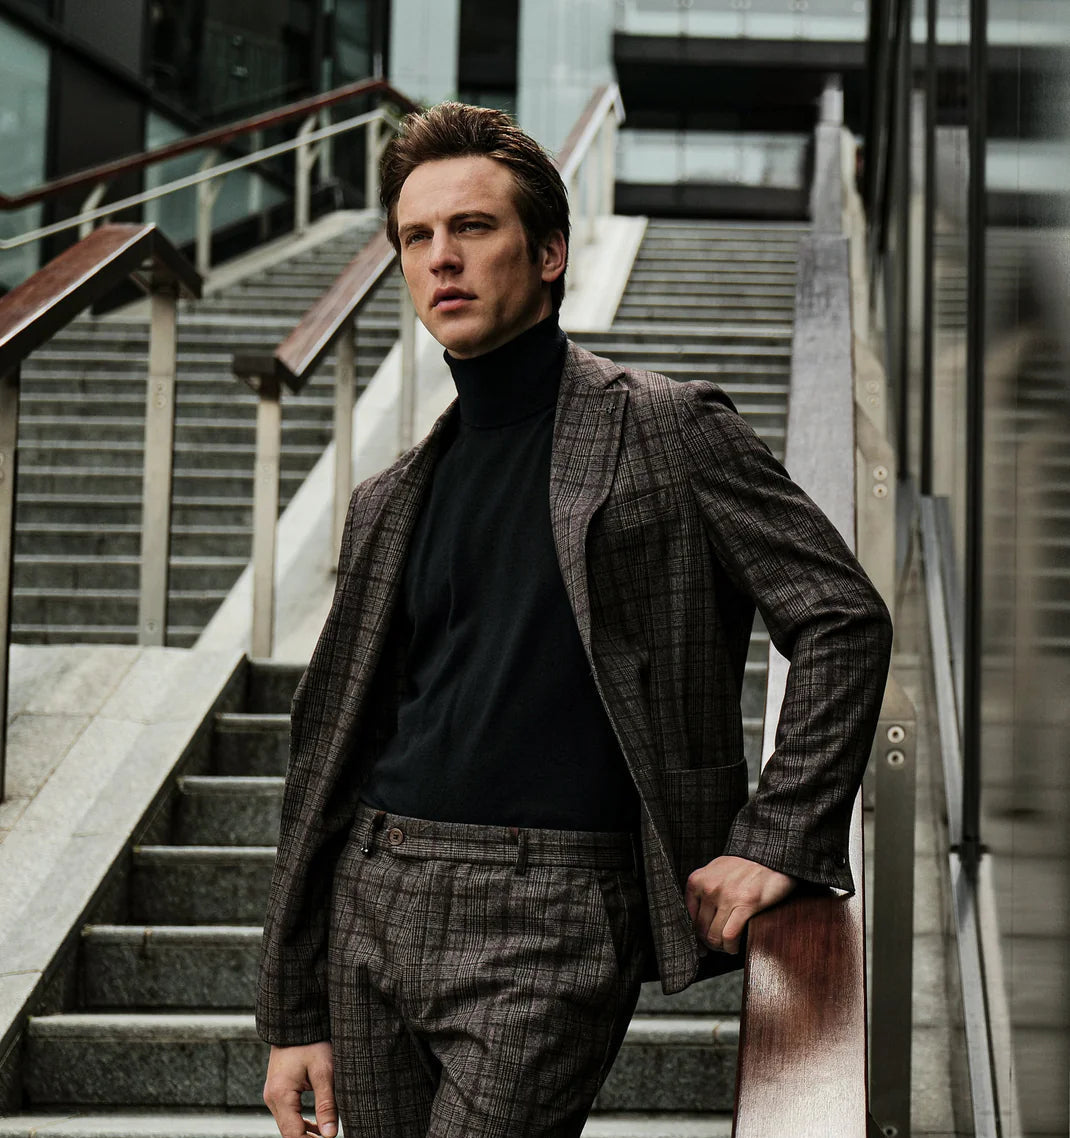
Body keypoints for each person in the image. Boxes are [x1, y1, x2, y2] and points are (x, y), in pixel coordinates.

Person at [256, 101, 892, 1138]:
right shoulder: (389, 496)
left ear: (549, 251)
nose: (440, 259)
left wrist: (777, 833)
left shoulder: (665, 429)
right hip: (371, 895)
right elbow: (329, 748)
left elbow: (840, 619)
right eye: (416, 237)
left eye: (473, 228)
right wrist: (292, 1007)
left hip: (549, 911)